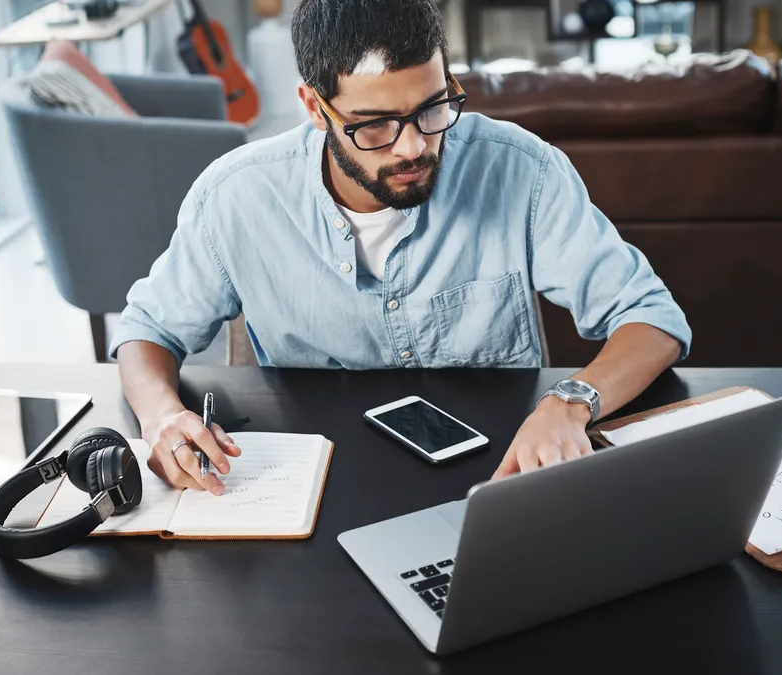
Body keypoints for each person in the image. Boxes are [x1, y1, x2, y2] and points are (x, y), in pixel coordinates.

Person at [111, 0, 692, 495]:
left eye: (432, 108)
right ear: (316, 108)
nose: (414, 147)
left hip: (498, 483)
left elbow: (652, 319)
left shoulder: (521, 170)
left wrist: (570, 402)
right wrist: (162, 416)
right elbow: (147, 331)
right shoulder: (234, 196)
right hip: (313, 493)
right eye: (375, 125)